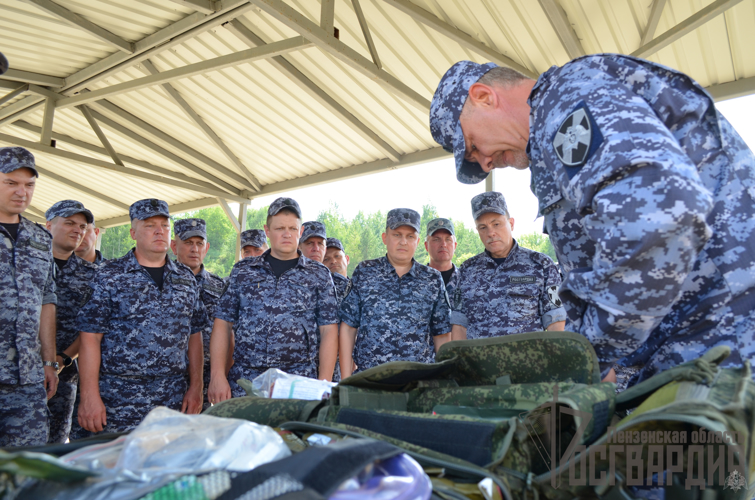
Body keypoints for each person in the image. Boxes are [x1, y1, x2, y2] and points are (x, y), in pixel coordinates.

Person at [430, 56, 755, 388]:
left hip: (720, 347)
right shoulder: (549, 134)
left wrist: (589, 355)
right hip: (685, 353)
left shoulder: (565, 100)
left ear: (484, 96)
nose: (484, 164)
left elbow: (659, 224)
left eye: (473, 146)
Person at [76, 199, 207, 435]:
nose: (159, 231)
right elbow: (89, 338)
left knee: (165, 468)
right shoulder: (109, 275)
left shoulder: (186, 279)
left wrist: (196, 387)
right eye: (149, 225)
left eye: (165, 226)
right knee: (111, 467)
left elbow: (195, 335)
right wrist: (89, 396)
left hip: (172, 398)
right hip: (117, 398)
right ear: (133, 233)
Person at [209, 197, 339, 402]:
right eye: (279, 228)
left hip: (299, 383)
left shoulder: (319, 274)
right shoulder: (243, 271)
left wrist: (322, 385)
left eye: (292, 228)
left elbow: (329, 330)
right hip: (247, 381)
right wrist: (217, 376)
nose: (287, 234)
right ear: (267, 231)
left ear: (301, 231)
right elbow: (223, 323)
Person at [339, 209, 452, 378]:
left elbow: (442, 335)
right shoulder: (365, 272)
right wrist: (346, 379)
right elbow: (348, 328)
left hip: (417, 382)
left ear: (418, 241)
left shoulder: (432, 279)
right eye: (397, 235)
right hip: (370, 380)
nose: (403, 242)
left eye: (410, 236)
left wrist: (442, 379)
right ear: (385, 237)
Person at [0, 147, 58, 447]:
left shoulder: (40, 238)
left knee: (28, 473)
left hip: (27, 381)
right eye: (12, 183)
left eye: (29, 185)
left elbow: (46, 302)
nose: (22, 192)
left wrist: (49, 361)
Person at [450, 192, 566, 341]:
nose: (491, 233)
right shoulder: (467, 270)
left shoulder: (541, 265)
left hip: (526, 361)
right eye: (483, 227)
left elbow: (555, 320)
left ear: (511, 223)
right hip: (478, 363)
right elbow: (459, 324)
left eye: (496, 224)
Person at [44, 200, 98, 443]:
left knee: (53, 447)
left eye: (83, 226)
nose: (78, 230)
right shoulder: (24, 264)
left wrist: (63, 359)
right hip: (14, 371)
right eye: (69, 223)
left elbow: (93, 327)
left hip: (63, 374)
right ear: (48, 226)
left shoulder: (93, 276)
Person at [171, 218, 225, 409]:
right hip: (170, 379)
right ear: (173, 246)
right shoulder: (163, 282)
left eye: (199, 243)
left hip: (209, 378)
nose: (194, 249)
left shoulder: (219, 286)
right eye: (187, 243)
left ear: (207, 247)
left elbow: (230, 333)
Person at [424, 218, 458, 289]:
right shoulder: (415, 281)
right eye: (436, 239)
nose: (443, 244)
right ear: (426, 246)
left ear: (455, 246)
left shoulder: (467, 279)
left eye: (448, 239)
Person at [324, 237, 351, 303]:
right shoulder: (318, 291)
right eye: (326, 259)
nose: (333, 261)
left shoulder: (360, 288)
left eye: (337, 256)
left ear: (347, 259)